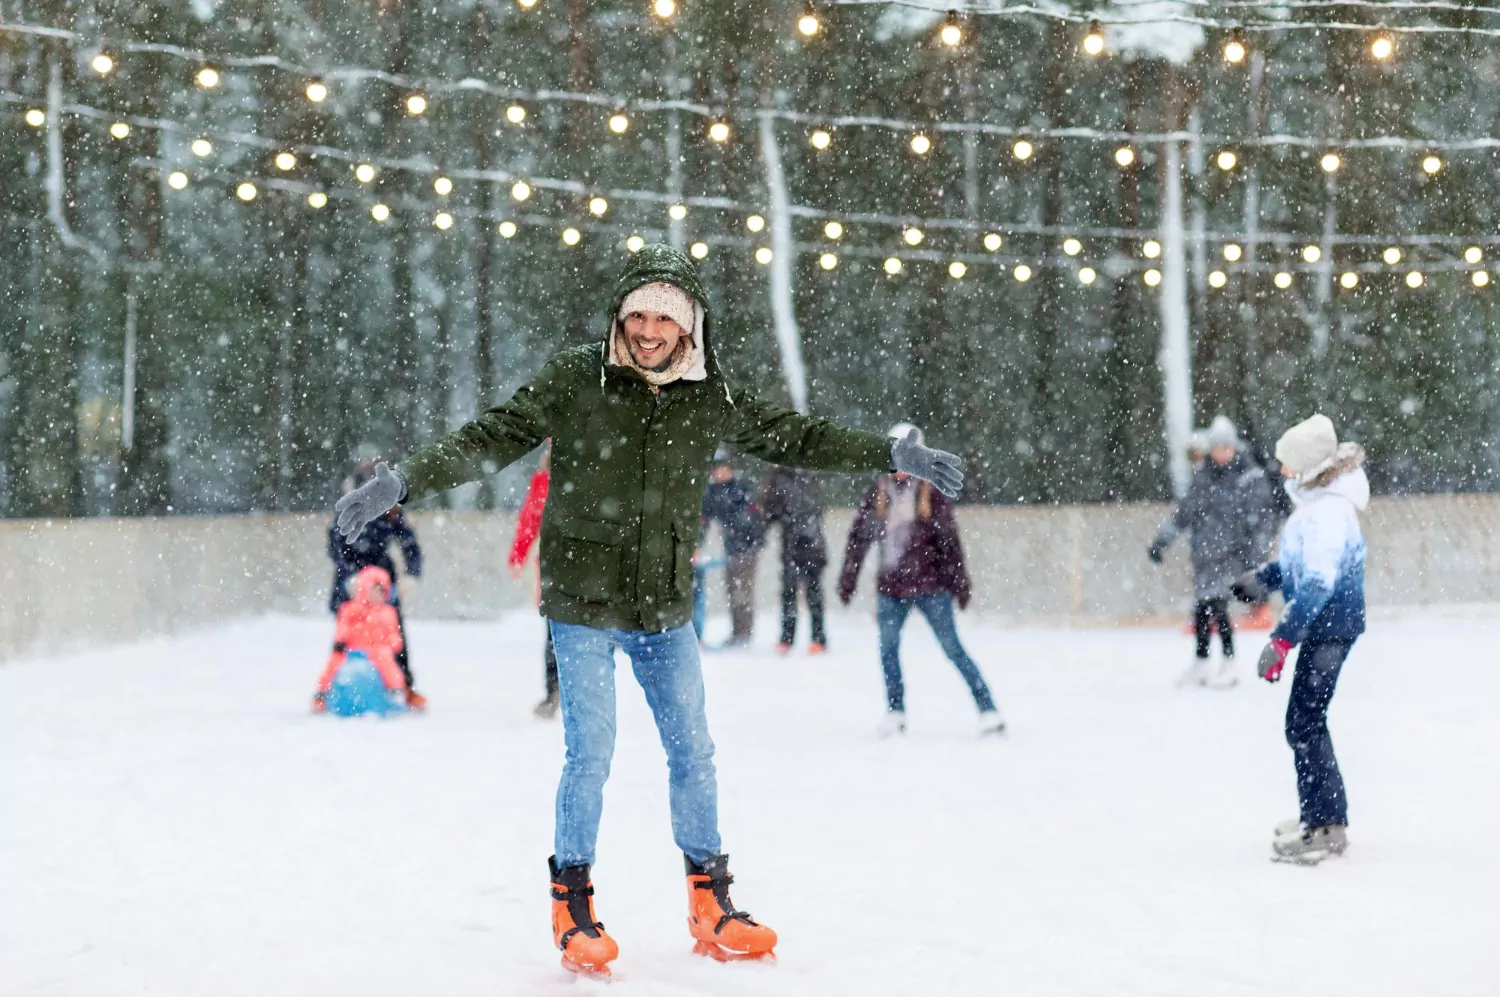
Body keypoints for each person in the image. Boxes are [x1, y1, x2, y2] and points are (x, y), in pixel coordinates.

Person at [332, 245, 964, 977]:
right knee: (590, 753)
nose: (648, 327)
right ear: (620, 318)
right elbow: (494, 435)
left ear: (689, 322)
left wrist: (889, 453)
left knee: (693, 749)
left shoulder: (708, 395)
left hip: (663, 603)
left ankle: (710, 900)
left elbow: (797, 435)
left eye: (664, 314)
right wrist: (402, 482)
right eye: (637, 312)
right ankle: (572, 903)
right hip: (583, 601)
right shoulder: (579, 377)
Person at [1233, 414, 1368, 865]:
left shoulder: (1330, 512)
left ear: (1309, 467)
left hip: (1329, 628)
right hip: (1324, 626)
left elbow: (1317, 584)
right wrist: (1263, 579)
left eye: (1288, 463)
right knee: (1306, 722)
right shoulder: (1317, 507)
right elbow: (1299, 568)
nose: (1282, 470)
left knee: (1304, 723)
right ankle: (1321, 813)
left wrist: (1281, 640)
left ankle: (1325, 826)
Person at [837, 424, 1003, 739]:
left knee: (952, 648)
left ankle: (988, 709)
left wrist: (960, 585)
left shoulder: (933, 494)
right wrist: (848, 579)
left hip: (931, 588)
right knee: (887, 648)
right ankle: (895, 712)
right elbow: (857, 539)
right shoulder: (877, 494)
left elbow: (950, 543)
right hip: (891, 588)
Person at [1147, 415, 1275, 689]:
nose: (1221, 453)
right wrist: (1162, 541)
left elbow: (1260, 520)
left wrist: (1255, 558)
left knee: (1217, 606)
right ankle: (1202, 662)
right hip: (1204, 555)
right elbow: (1183, 514)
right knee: (1202, 609)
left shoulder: (1247, 478)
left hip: (1230, 556)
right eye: (1217, 448)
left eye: (1226, 448)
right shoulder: (1202, 478)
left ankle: (1228, 662)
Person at [328, 461, 426, 710]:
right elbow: (336, 545)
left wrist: (412, 574)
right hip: (350, 578)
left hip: (382, 580)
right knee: (346, 639)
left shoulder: (388, 507)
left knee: (394, 635)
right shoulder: (347, 507)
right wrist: (349, 576)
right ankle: (331, 689)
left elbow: (409, 542)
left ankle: (403, 686)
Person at [313, 565, 409, 716]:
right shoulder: (350, 609)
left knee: (388, 663)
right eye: (374, 590)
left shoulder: (388, 612)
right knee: (333, 663)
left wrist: (393, 643)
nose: (378, 595)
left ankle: (395, 691)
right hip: (352, 649)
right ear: (364, 589)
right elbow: (342, 627)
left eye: (382, 592)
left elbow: (393, 633)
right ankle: (322, 693)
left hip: (377, 649)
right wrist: (341, 640)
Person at [509, 442, 559, 719]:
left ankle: (556, 690)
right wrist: (518, 554)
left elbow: (530, 518)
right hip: (558, 562)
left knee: (557, 632)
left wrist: (519, 554)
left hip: (567, 562)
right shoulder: (545, 481)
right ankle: (556, 690)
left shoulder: (546, 480)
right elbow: (530, 518)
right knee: (558, 630)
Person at [760, 466, 828, 655]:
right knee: (790, 593)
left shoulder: (809, 474)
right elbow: (768, 510)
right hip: (792, 545)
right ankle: (788, 638)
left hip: (811, 545)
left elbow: (815, 508)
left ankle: (817, 638)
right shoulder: (778, 477)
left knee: (812, 593)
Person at [700, 449, 764, 647]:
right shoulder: (711, 492)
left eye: (723, 469)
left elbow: (753, 517)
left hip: (747, 546)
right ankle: (738, 631)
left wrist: (749, 537)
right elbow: (703, 521)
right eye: (716, 470)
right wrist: (697, 545)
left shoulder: (742, 488)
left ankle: (744, 633)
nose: (720, 474)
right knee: (732, 589)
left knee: (742, 590)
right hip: (730, 548)